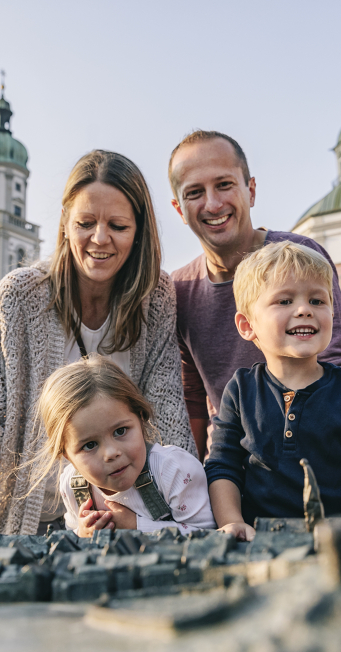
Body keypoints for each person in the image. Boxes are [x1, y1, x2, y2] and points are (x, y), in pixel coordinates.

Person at [0, 150, 196, 536]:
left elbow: (167, 410)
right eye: (85, 223)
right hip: (28, 519)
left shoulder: (155, 296)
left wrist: (175, 520)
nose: (99, 238)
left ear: (139, 229)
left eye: (118, 226)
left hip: (124, 517)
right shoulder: (20, 296)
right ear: (65, 223)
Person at [169, 131, 341, 461]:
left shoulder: (302, 256)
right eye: (195, 192)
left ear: (250, 190)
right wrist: (192, 486)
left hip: (317, 456)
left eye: (224, 184)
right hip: (232, 467)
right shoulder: (178, 290)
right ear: (179, 209)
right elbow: (194, 398)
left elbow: (339, 360)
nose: (213, 203)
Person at [204, 241, 341, 541]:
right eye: (284, 301)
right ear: (248, 325)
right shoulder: (240, 390)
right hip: (261, 543)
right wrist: (232, 522)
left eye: (317, 301)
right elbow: (223, 466)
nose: (304, 310)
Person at [26, 356, 215, 537]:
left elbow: (210, 535)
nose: (111, 453)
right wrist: (81, 534)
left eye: (120, 431)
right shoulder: (73, 485)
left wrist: (137, 526)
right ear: (67, 455)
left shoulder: (173, 471)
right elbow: (72, 533)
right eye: (90, 445)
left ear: (141, 419)